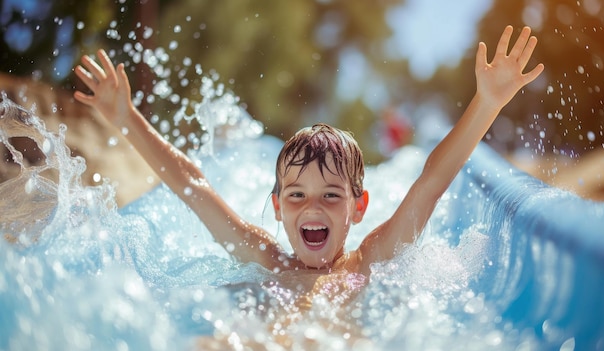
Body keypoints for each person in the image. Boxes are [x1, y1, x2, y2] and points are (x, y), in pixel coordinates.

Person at [74, 25, 543, 284]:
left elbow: (430, 183)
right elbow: (191, 185)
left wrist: (486, 103)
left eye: (331, 196)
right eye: (296, 195)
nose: (312, 208)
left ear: (359, 208)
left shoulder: (370, 260)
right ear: (277, 207)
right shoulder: (263, 258)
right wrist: (128, 119)